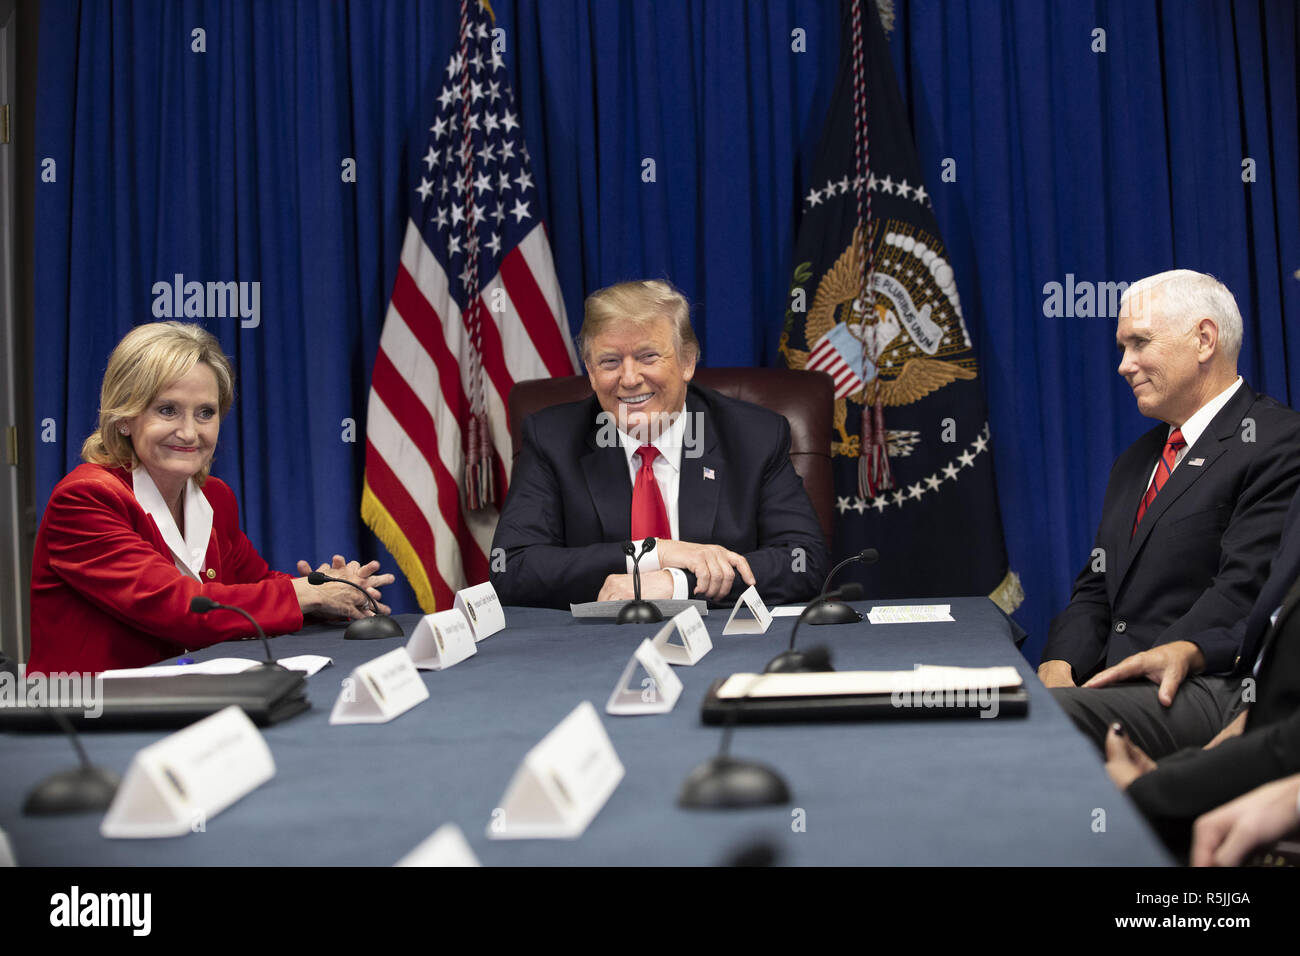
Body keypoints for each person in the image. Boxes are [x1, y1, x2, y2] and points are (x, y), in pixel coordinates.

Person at [28, 322, 393, 674]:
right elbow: (181, 609)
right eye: (167, 410)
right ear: (125, 417)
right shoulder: (85, 499)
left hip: (184, 699)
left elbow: (255, 586)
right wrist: (309, 595)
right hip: (88, 718)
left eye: (206, 413)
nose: (189, 432)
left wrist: (331, 590)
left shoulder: (215, 496)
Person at [1039, 270, 1300, 757]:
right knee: (1008, 705)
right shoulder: (1135, 461)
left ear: (1204, 340)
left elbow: (1242, 594)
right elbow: (1096, 589)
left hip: (1203, 683)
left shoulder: (1278, 443)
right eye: (1122, 347)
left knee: (1030, 721)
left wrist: (1116, 677)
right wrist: (1059, 664)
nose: (1123, 365)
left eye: (1139, 342)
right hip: (1108, 686)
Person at [490, 279, 828, 608]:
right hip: (594, 649)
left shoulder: (753, 436)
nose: (630, 378)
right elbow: (513, 567)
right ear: (591, 372)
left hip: (722, 646)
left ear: (687, 362)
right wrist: (653, 554)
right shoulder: (553, 438)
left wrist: (677, 582)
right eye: (609, 361)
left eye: (648, 356)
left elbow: (803, 561)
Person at [1103, 487, 1300, 859]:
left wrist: (1150, 792)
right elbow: (1272, 615)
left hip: (1258, 711)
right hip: (1244, 687)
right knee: (1052, 716)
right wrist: (1195, 650)